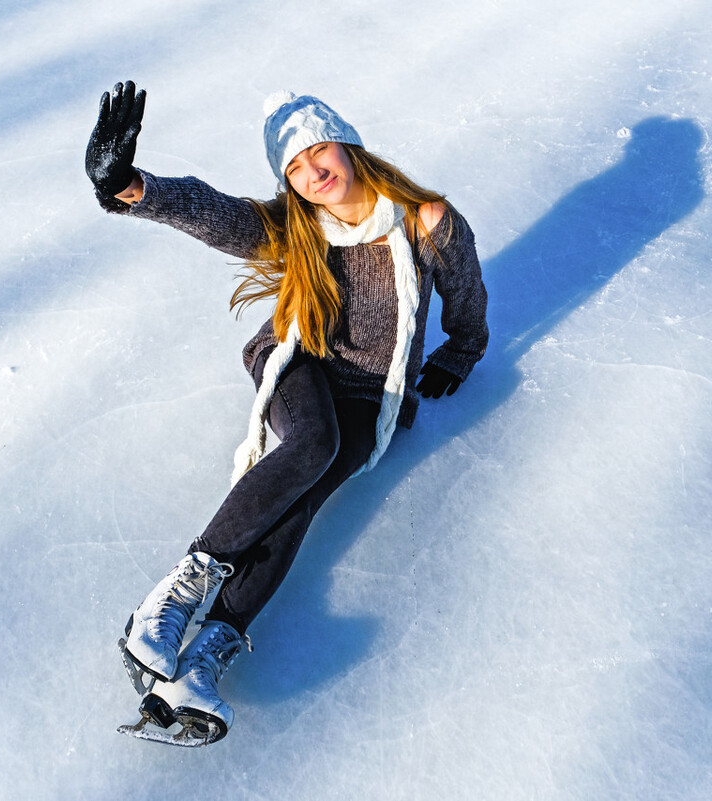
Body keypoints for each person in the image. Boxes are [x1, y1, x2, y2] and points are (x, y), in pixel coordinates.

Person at [86, 81, 488, 745]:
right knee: (312, 446)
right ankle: (177, 592)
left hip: (373, 391)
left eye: (316, 150)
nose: (311, 172)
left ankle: (206, 655)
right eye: (294, 167)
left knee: (303, 497)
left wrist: (463, 349)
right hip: (296, 358)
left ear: (346, 142)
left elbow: (465, 290)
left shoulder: (425, 221)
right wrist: (132, 185)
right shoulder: (297, 225)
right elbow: (216, 214)